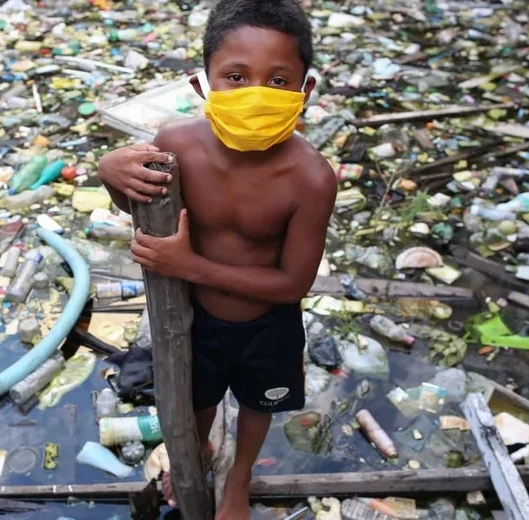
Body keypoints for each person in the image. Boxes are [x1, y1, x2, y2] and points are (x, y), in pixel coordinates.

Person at [99, 0, 337, 517]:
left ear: (305, 91)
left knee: (259, 406)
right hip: (195, 320)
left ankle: (240, 478)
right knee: (194, 400)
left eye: (278, 81)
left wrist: (190, 267)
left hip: (268, 323)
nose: (255, 94)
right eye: (235, 76)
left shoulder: (311, 177)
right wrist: (110, 172)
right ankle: (195, 451)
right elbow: (144, 205)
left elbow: (293, 283)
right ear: (200, 84)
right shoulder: (176, 145)